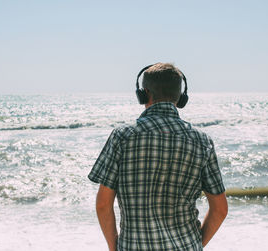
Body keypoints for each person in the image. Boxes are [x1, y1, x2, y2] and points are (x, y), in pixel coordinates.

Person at [88, 63, 228, 251]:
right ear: (180, 97)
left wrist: (115, 248)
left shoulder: (122, 136)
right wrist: (194, 245)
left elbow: (103, 205)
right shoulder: (202, 141)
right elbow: (220, 209)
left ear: (144, 93)